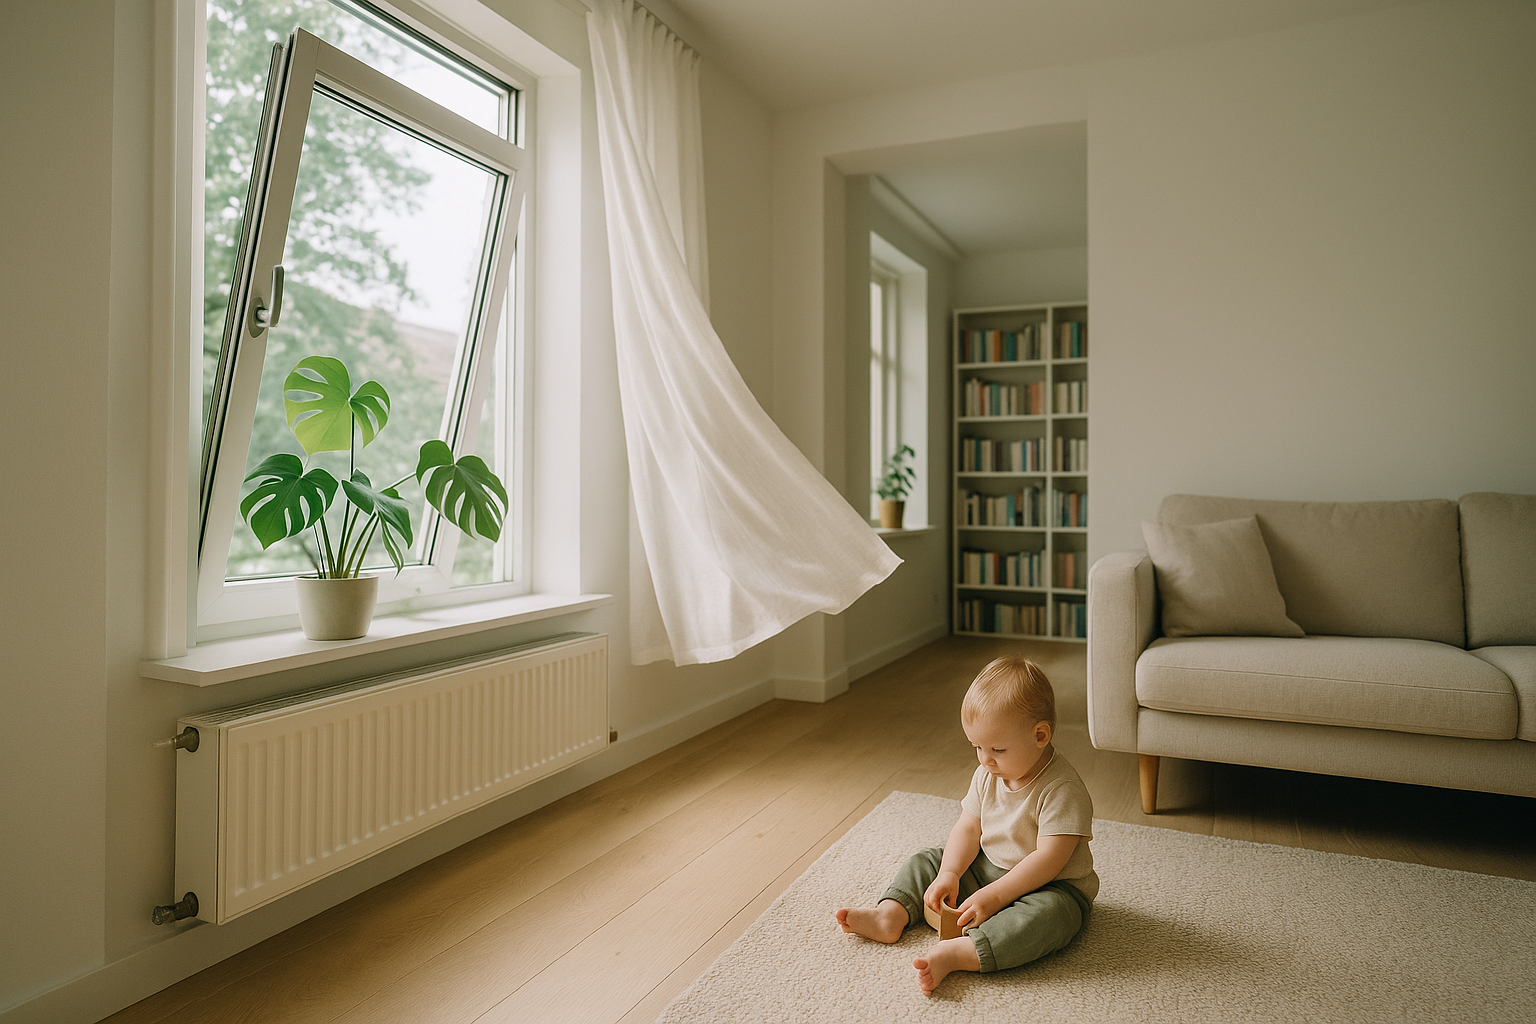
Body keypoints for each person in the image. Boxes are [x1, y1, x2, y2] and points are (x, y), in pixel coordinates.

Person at [835, 654, 1098, 995]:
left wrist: (996, 895)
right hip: (988, 867)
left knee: (1052, 917)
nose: (985, 759)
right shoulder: (988, 773)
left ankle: (962, 952)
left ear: (1040, 735)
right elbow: (969, 828)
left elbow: (1049, 859)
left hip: (1051, 887)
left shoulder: (1062, 790)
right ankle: (891, 915)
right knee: (928, 860)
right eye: (977, 747)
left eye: (997, 749)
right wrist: (950, 873)